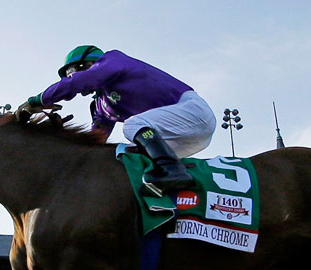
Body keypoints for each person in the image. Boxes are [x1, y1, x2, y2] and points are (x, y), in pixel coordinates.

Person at [17, 46, 216, 197]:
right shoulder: (101, 105)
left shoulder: (111, 60)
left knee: (132, 125)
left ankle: (173, 171)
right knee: (124, 154)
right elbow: (95, 141)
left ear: (87, 65)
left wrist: (36, 101)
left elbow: (78, 82)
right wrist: (61, 136)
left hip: (193, 111)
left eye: (72, 72)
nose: (71, 77)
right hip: (183, 137)